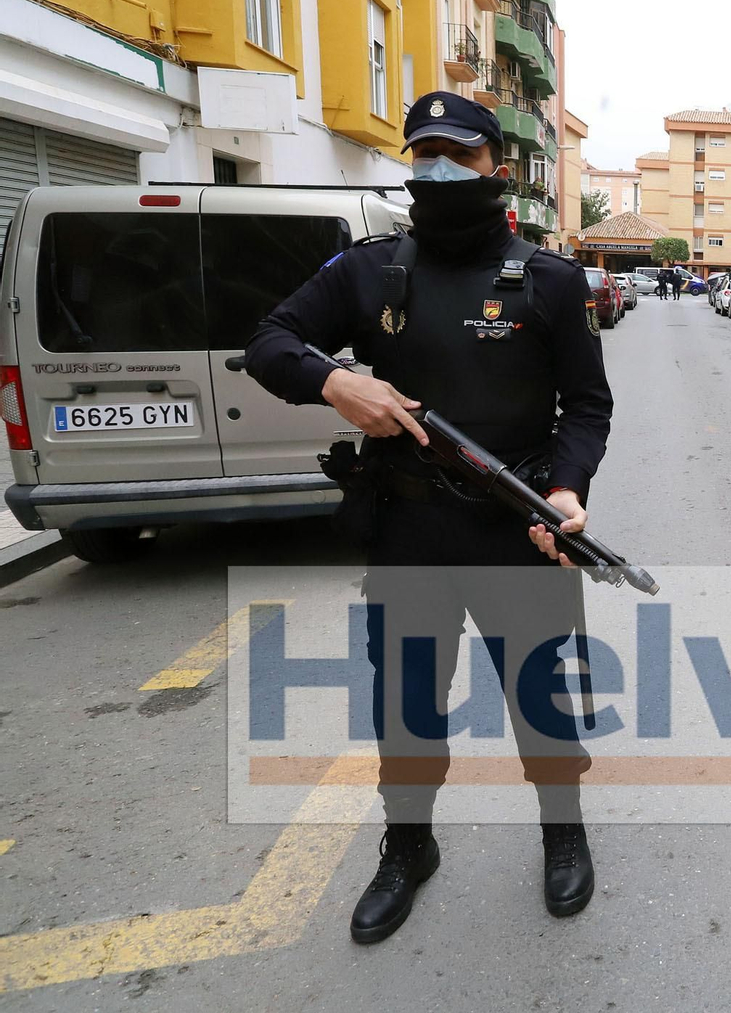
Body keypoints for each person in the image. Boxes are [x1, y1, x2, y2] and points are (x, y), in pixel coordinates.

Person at [244, 92, 613, 943]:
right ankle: (408, 845)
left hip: (516, 527)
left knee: (540, 699)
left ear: (497, 170)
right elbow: (270, 339)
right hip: (408, 533)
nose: (439, 171)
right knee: (404, 703)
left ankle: (564, 831)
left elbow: (587, 407)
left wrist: (565, 488)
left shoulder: (548, 279)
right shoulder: (370, 271)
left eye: (460, 156)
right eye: (425, 155)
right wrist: (335, 381)